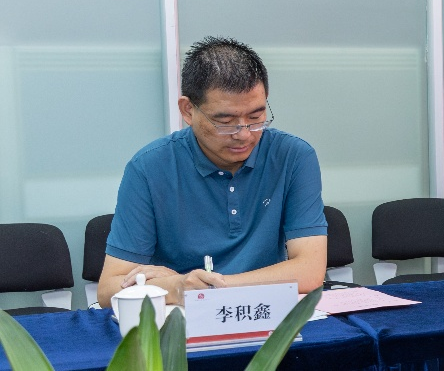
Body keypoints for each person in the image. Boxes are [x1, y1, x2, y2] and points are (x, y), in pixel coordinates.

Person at [98, 37, 327, 307]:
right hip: (182, 319)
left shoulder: (293, 156)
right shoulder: (149, 168)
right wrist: (177, 288)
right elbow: (108, 289)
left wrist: (202, 287)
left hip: (264, 311)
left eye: (255, 117)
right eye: (225, 122)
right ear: (188, 110)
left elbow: (310, 271)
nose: (244, 135)